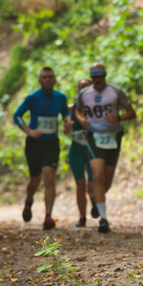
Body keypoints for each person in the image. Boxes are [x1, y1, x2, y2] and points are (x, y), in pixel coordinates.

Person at [75, 63, 137, 233]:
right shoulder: (84, 94)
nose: (97, 79)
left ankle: (96, 199)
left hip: (113, 137)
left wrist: (118, 117)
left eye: (100, 75)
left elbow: (132, 113)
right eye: (94, 75)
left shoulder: (116, 92)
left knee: (106, 180)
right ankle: (103, 219)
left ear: (105, 75)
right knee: (97, 175)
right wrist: (81, 120)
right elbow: (78, 111)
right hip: (93, 136)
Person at [13, 67, 72, 230]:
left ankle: (48, 216)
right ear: (39, 80)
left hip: (51, 143)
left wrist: (67, 120)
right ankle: (29, 201)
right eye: (44, 77)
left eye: (50, 77)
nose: (47, 79)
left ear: (54, 80)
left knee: (50, 176)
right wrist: (29, 131)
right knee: (35, 179)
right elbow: (17, 115)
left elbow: (65, 111)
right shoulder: (33, 98)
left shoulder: (60, 97)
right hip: (34, 144)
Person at [67, 78, 96, 228]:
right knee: (79, 184)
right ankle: (82, 217)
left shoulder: (97, 107)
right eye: (82, 87)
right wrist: (67, 126)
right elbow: (65, 130)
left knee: (91, 185)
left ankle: (93, 199)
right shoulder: (71, 109)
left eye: (87, 87)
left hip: (91, 151)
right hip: (76, 150)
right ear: (78, 91)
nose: (84, 90)